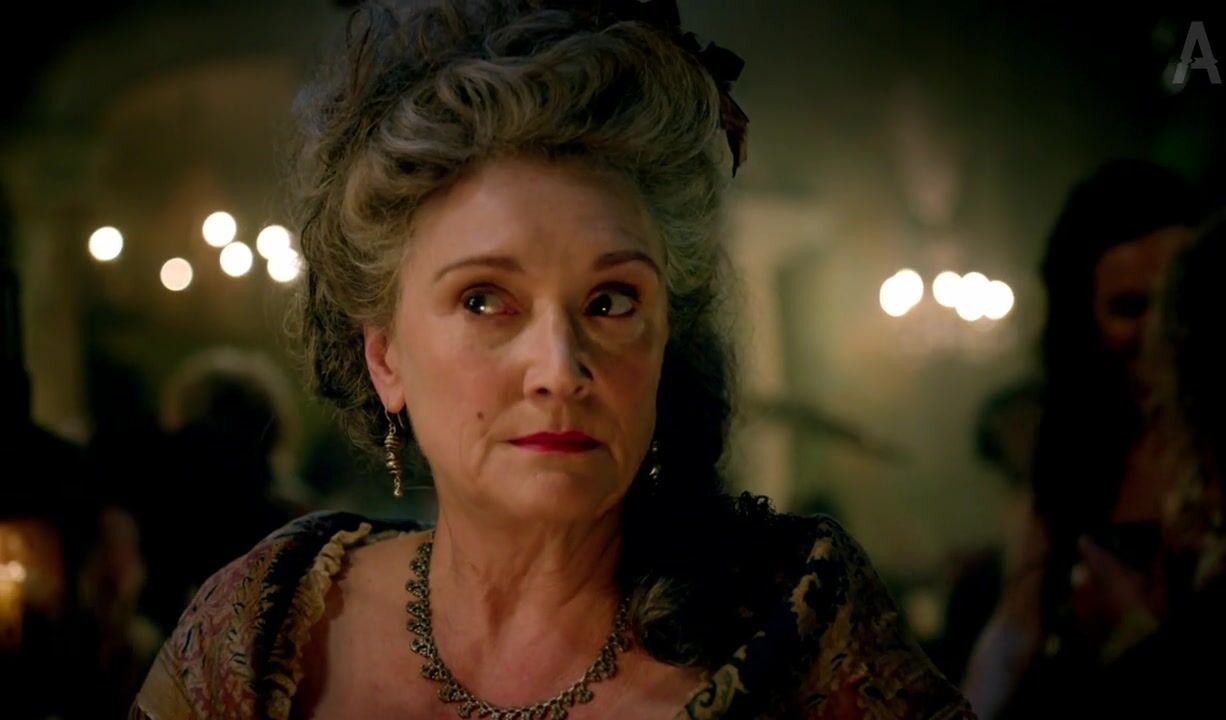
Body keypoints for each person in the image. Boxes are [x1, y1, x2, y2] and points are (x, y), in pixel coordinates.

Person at [131, 2, 972, 718]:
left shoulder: (797, 631)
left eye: (611, 302)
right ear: (384, 357)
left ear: (666, 340)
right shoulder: (264, 625)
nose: (560, 367)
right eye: (484, 300)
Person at [962, 158, 1205, 718]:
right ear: (1084, 318)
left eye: (1172, 301)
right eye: (1129, 307)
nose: (1156, 333)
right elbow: (1016, 628)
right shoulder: (1076, 451)